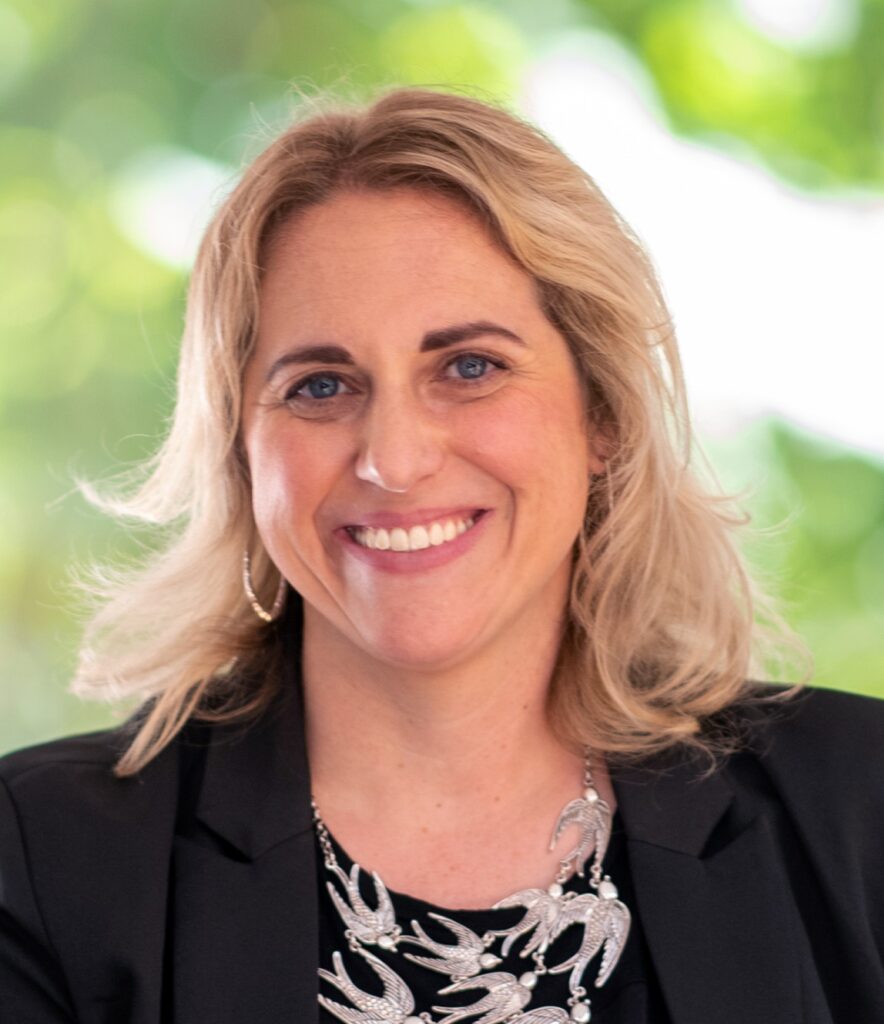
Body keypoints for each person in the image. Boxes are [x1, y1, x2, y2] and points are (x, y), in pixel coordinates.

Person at [1, 87, 882, 1024]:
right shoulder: (40, 863)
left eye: (469, 368)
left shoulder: (862, 806)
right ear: (239, 452)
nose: (394, 459)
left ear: (603, 417)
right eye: (321, 386)